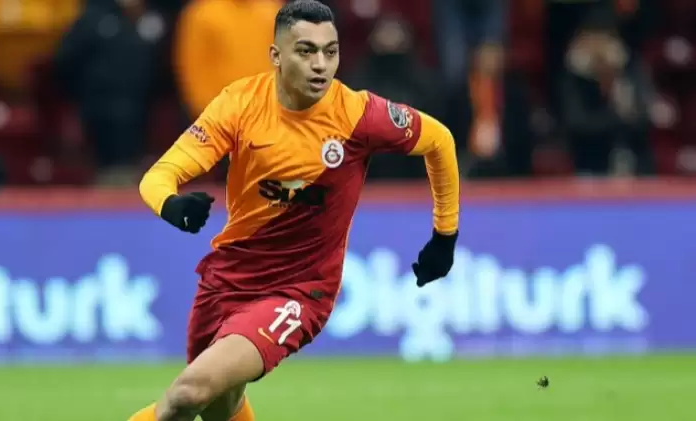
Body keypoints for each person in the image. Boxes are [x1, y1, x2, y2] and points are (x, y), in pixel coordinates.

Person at [130, 1, 460, 421]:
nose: (320, 64)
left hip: (298, 291)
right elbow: (159, 176)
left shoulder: (359, 115)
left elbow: (440, 141)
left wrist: (444, 235)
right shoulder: (239, 103)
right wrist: (170, 204)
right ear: (276, 55)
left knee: (187, 393)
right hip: (226, 280)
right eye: (306, 51)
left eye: (330, 51)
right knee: (218, 409)